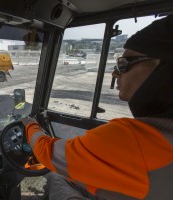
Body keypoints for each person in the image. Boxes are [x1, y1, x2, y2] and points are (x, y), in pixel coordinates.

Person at [22, 15, 173, 199]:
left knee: (53, 178)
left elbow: (48, 153)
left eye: (124, 64)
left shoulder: (133, 138)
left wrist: (29, 124)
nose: (115, 72)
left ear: (163, 66)